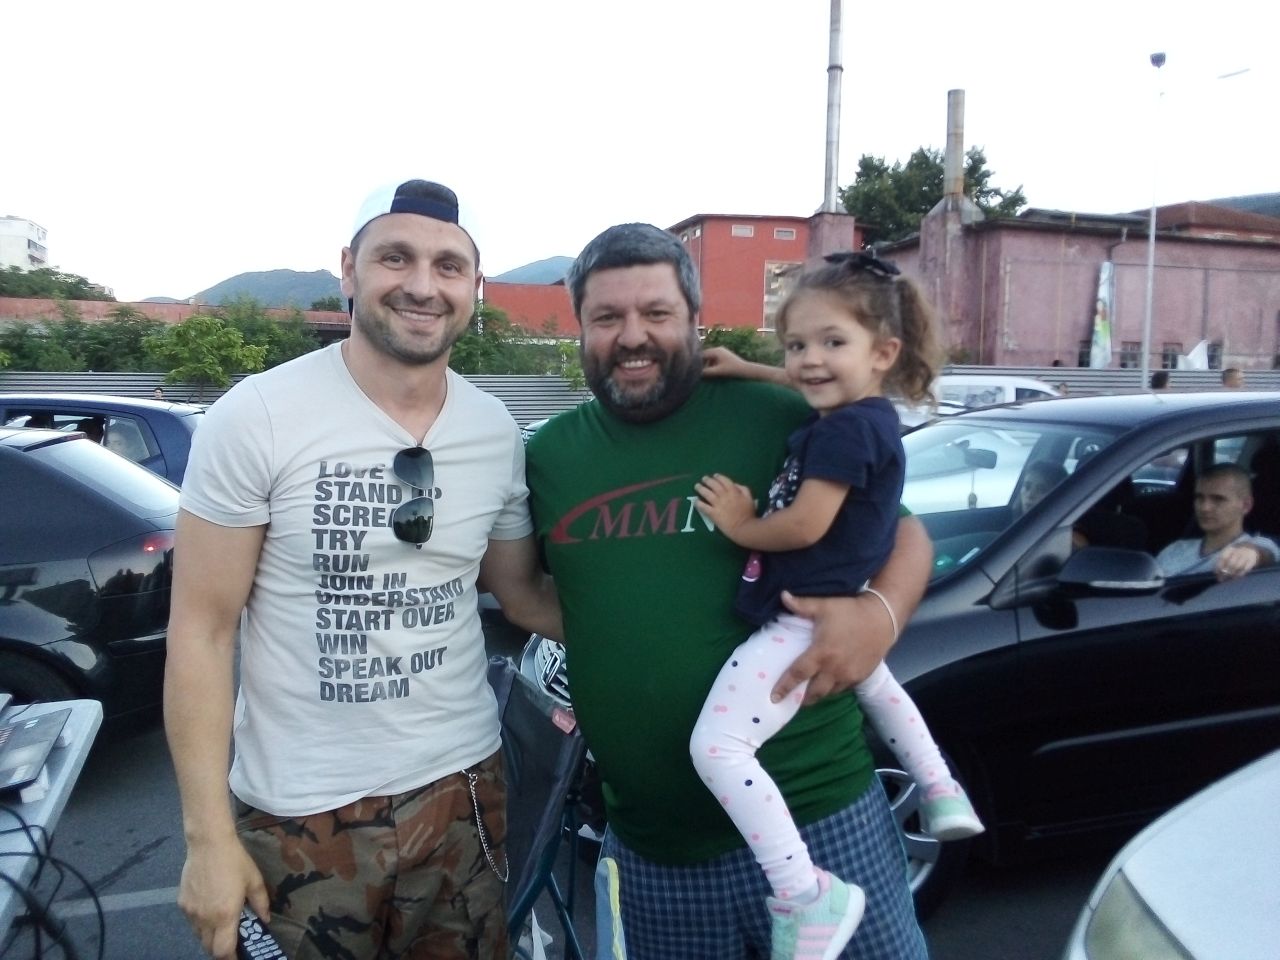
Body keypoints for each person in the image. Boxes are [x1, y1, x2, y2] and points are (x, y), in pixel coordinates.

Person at [164, 179, 561, 960]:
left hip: (465, 793)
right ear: (349, 268)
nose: (422, 285)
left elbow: (522, 595)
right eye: (395, 258)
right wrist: (206, 839)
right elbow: (202, 632)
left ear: (475, 287)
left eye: (449, 266)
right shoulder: (257, 416)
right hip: (299, 813)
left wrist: (677, 635)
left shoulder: (493, 430)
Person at [525, 223, 933, 960]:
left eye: (656, 312)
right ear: (579, 326)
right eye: (607, 316)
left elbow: (906, 536)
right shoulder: (550, 456)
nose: (632, 336)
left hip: (820, 817)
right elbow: (523, 594)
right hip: (657, 849)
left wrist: (880, 614)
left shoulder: (784, 418)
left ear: (695, 319)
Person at [689, 253, 982, 958]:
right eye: (796, 345)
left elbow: (804, 525)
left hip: (805, 618)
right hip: (841, 600)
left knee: (717, 748)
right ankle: (941, 789)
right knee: (882, 690)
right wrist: (751, 367)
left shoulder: (845, 432)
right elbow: (813, 380)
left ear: (883, 353)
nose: (809, 360)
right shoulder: (867, 414)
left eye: (831, 342)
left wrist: (739, 524)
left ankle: (805, 893)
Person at [1155, 463, 1277, 579]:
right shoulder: (1175, 549)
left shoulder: (1254, 546)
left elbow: (1267, 552)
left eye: (1218, 499)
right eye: (1199, 498)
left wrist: (1251, 553)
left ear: (1246, 506)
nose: (1205, 508)